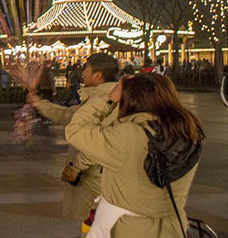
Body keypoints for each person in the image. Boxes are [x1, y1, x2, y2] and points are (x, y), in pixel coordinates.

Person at [65, 73, 204, 238]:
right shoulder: (189, 131)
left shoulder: (128, 135)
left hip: (128, 228)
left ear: (130, 99)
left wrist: (110, 99)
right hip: (173, 226)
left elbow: (75, 130)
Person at [27, 53, 119, 225]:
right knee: (92, 224)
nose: (83, 72)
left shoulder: (105, 102)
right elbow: (68, 114)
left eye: (87, 68)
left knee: (97, 226)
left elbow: (102, 142)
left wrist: (76, 166)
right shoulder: (94, 99)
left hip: (98, 178)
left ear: (98, 75)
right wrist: (40, 103)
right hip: (93, 176)